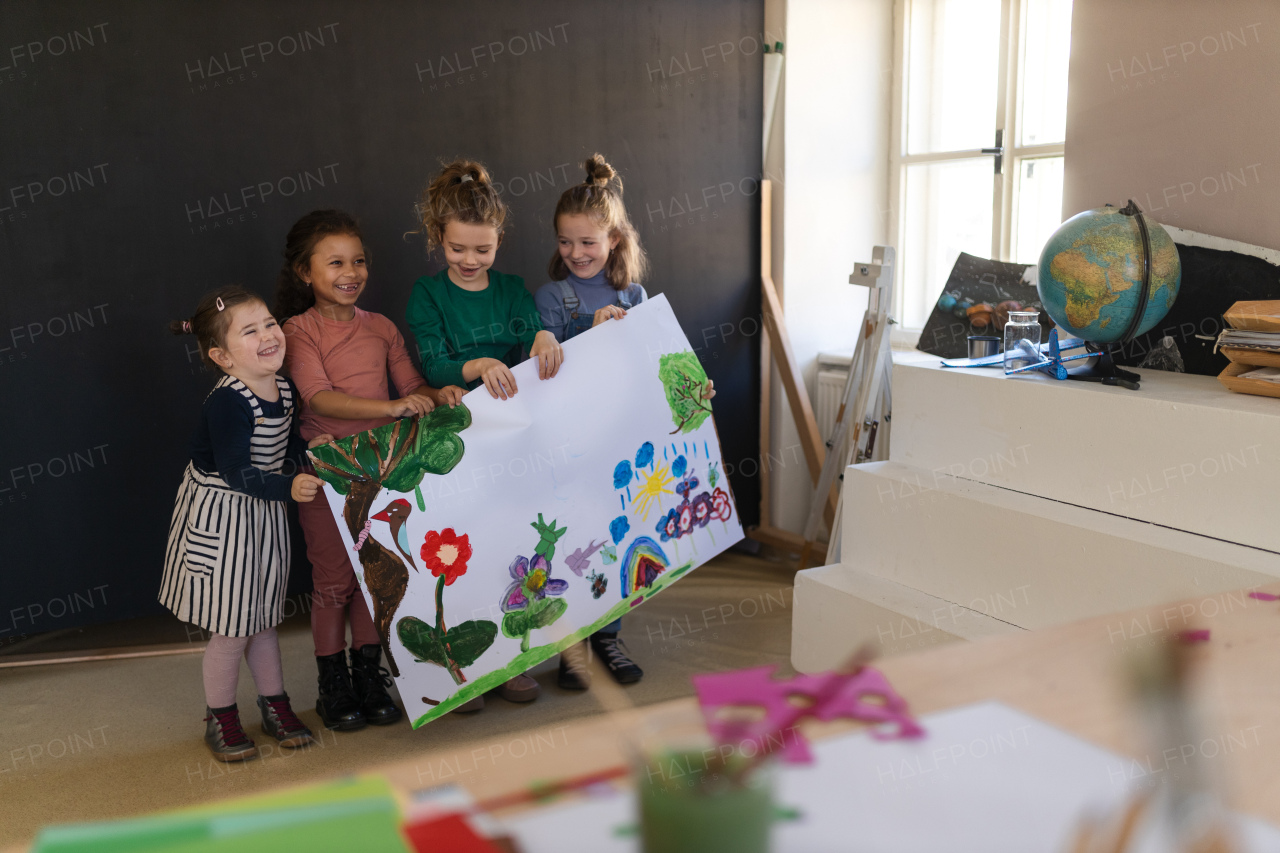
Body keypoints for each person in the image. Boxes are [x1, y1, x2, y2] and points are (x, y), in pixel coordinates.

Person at [275, 209, 464, 729]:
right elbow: (320, 398)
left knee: (372, 576)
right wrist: (392, 409)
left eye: (358, 261)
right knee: (335, 583)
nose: (350, 271)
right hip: (330, 476)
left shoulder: (380, 328)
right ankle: (332, 684)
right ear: (304, 272)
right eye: (335, 262)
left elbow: (410, 386)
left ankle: (368, 675)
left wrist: (435, 394)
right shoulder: (298, 330)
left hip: (384, 474)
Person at [534, 154, 710, 691]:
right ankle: (572, 648)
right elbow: (542, 364)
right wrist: (574, 331)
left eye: (588, 242)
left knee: (622, 536)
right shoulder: (551, 297)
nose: (576, 253)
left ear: (614, 239)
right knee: (573, 539)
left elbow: (656, 360)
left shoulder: (634, 297)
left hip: (621, 441)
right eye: (566, 242)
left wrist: (692, 388)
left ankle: (609, 636)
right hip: (569, 440)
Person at [406, 160, 563, 706]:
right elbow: (433, 362)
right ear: (437, 240)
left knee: (512, 549)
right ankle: (464, 666)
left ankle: (513, 659)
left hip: (513, 439)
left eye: (483, 250)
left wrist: (543, 335)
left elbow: (531, 331)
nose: (470, 261)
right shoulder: (427, 296)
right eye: (457, 250)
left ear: (499, 241)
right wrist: (476, 366)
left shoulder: (513, 290)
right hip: (459, 440)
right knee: (459, 554)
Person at [161, 285, 327, 762]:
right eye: (249, 331)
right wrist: (288, 487)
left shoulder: (286, 386)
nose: (268, 334)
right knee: (232, 625)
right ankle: (221, 714)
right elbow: (237, 471)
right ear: (222, 356)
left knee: (264, 618)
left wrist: (305, 460)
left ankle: (274, 704)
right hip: (224, 513)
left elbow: (288, 445)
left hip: (263, 513)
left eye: (270, 323)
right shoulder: (228, 402)